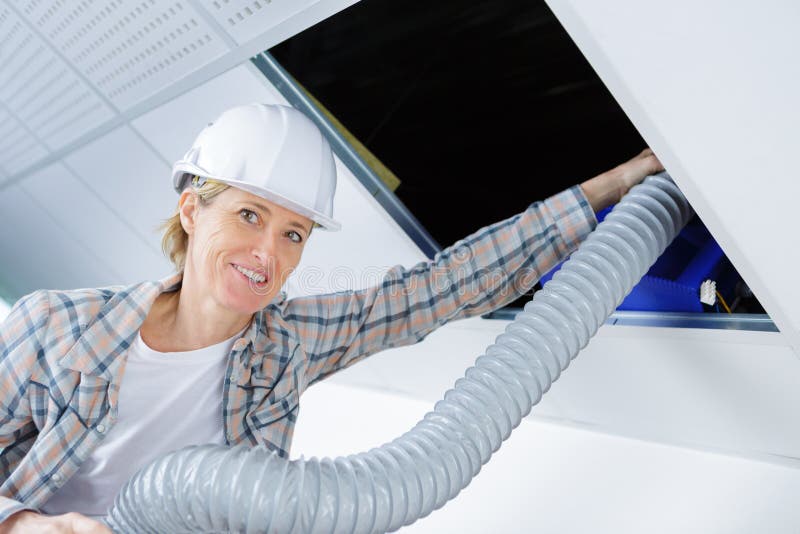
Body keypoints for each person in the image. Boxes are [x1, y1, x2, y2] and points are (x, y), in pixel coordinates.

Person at [0, 103, 663, 532]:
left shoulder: (290, 345)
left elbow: (441, 287)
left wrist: (613, 187)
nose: (267, 252)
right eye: (249, 215)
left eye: (294, 233)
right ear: (192, 211)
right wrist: (28, 525)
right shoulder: (56, 329)